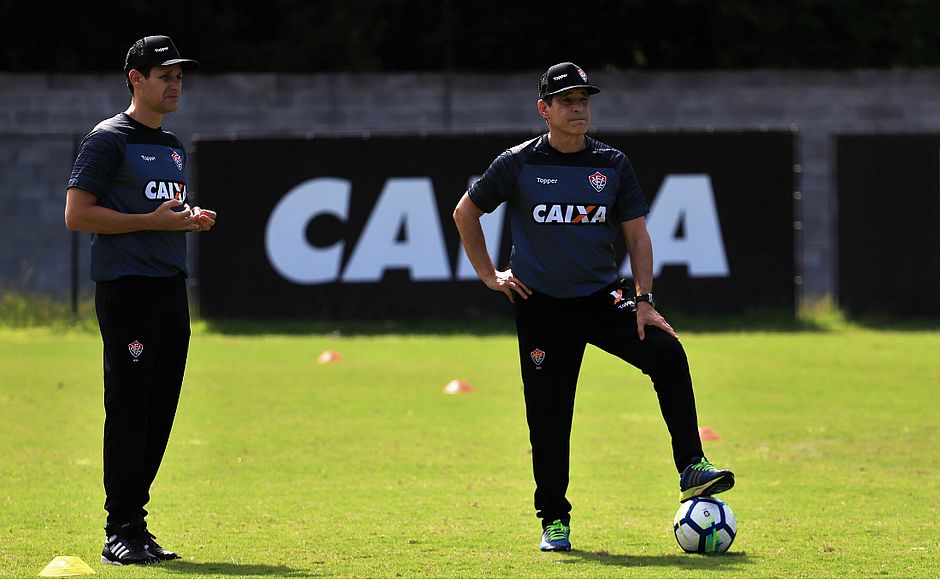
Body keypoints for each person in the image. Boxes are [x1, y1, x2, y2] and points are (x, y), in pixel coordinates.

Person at [452, 62, 734, 552]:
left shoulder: (613, 164)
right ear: (544, 110)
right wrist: (490, 275)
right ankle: (554, 520)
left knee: (667, 352)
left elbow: (638, 236)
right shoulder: (518, 163)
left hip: (604, 299)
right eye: (566, 101)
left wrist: (644, 301)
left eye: (584, 99)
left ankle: (691, 466)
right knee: (549, 416)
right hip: (540, 306)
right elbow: (465, 212)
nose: (578, 107)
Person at [64, 35, 215, 566]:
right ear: (136, 79)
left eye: (179, 77)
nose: (174, 85)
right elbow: (78, 214)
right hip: (127, 291)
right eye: (164, 76)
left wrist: (185, 218)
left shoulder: (171, 144)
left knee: (159, 408)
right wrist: (148, 223)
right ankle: (119, 529)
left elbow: (159, 209)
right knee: (129, 406)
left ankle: (137, 523)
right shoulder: (107, 140)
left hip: (170, 288)